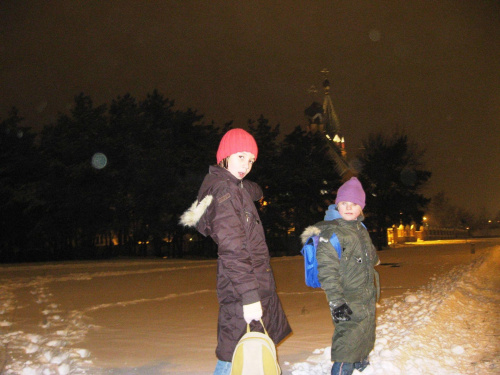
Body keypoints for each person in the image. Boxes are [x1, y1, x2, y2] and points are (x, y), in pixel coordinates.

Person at [180, 128, 291, 374]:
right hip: (243, 287)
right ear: (225, 156)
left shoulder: (232, 188)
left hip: (250, 282)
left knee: (247, 351)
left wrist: (255, 190)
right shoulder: (225, 193)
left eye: (251, 160)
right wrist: (250, 296)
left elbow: (245, 187)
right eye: (240, 157)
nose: (246, 165)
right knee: (235, 354)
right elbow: (233, 249)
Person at [300, 177, 380, 375]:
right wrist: (336, 302)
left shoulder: (360, 228)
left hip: (365, 293)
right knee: (347, 338)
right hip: (345, 296)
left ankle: (361, 364)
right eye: (344, 203)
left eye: (354, 204)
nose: (349, 207)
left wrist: (375, 259)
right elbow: (327, 271)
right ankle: (342, 370)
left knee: (365, 330)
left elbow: (369, 252)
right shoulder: (332, 233)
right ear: (337, 205)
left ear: (361, 207)